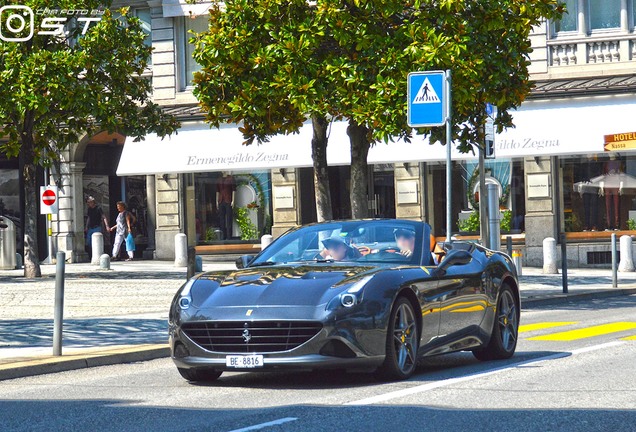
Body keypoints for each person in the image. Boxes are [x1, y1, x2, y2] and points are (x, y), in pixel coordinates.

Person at [216, 172, 236, 240]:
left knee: (229, 218)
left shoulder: (230, 178)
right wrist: (217, 201)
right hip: (221, 200)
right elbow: (217, 191)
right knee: (222, 219)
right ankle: (223, 236)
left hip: (228, 200)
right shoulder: (219, 179)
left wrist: (233, 200)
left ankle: (229, 236)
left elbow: (234, 190)